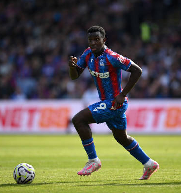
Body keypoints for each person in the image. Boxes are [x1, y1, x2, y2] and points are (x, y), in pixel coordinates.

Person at [68, 26, 159, 180]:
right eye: (90, 40)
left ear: (104, 40)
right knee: (122, 138)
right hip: (108, 103)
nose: (93, 42)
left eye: (97, 39)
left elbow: (137, 70)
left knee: (78, 119)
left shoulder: (112, 57)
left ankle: (93, 160)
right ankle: (149, 163)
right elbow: (75, 76)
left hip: (115, 103)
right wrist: (72, 67)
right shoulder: (87, 54)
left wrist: (123, 95)